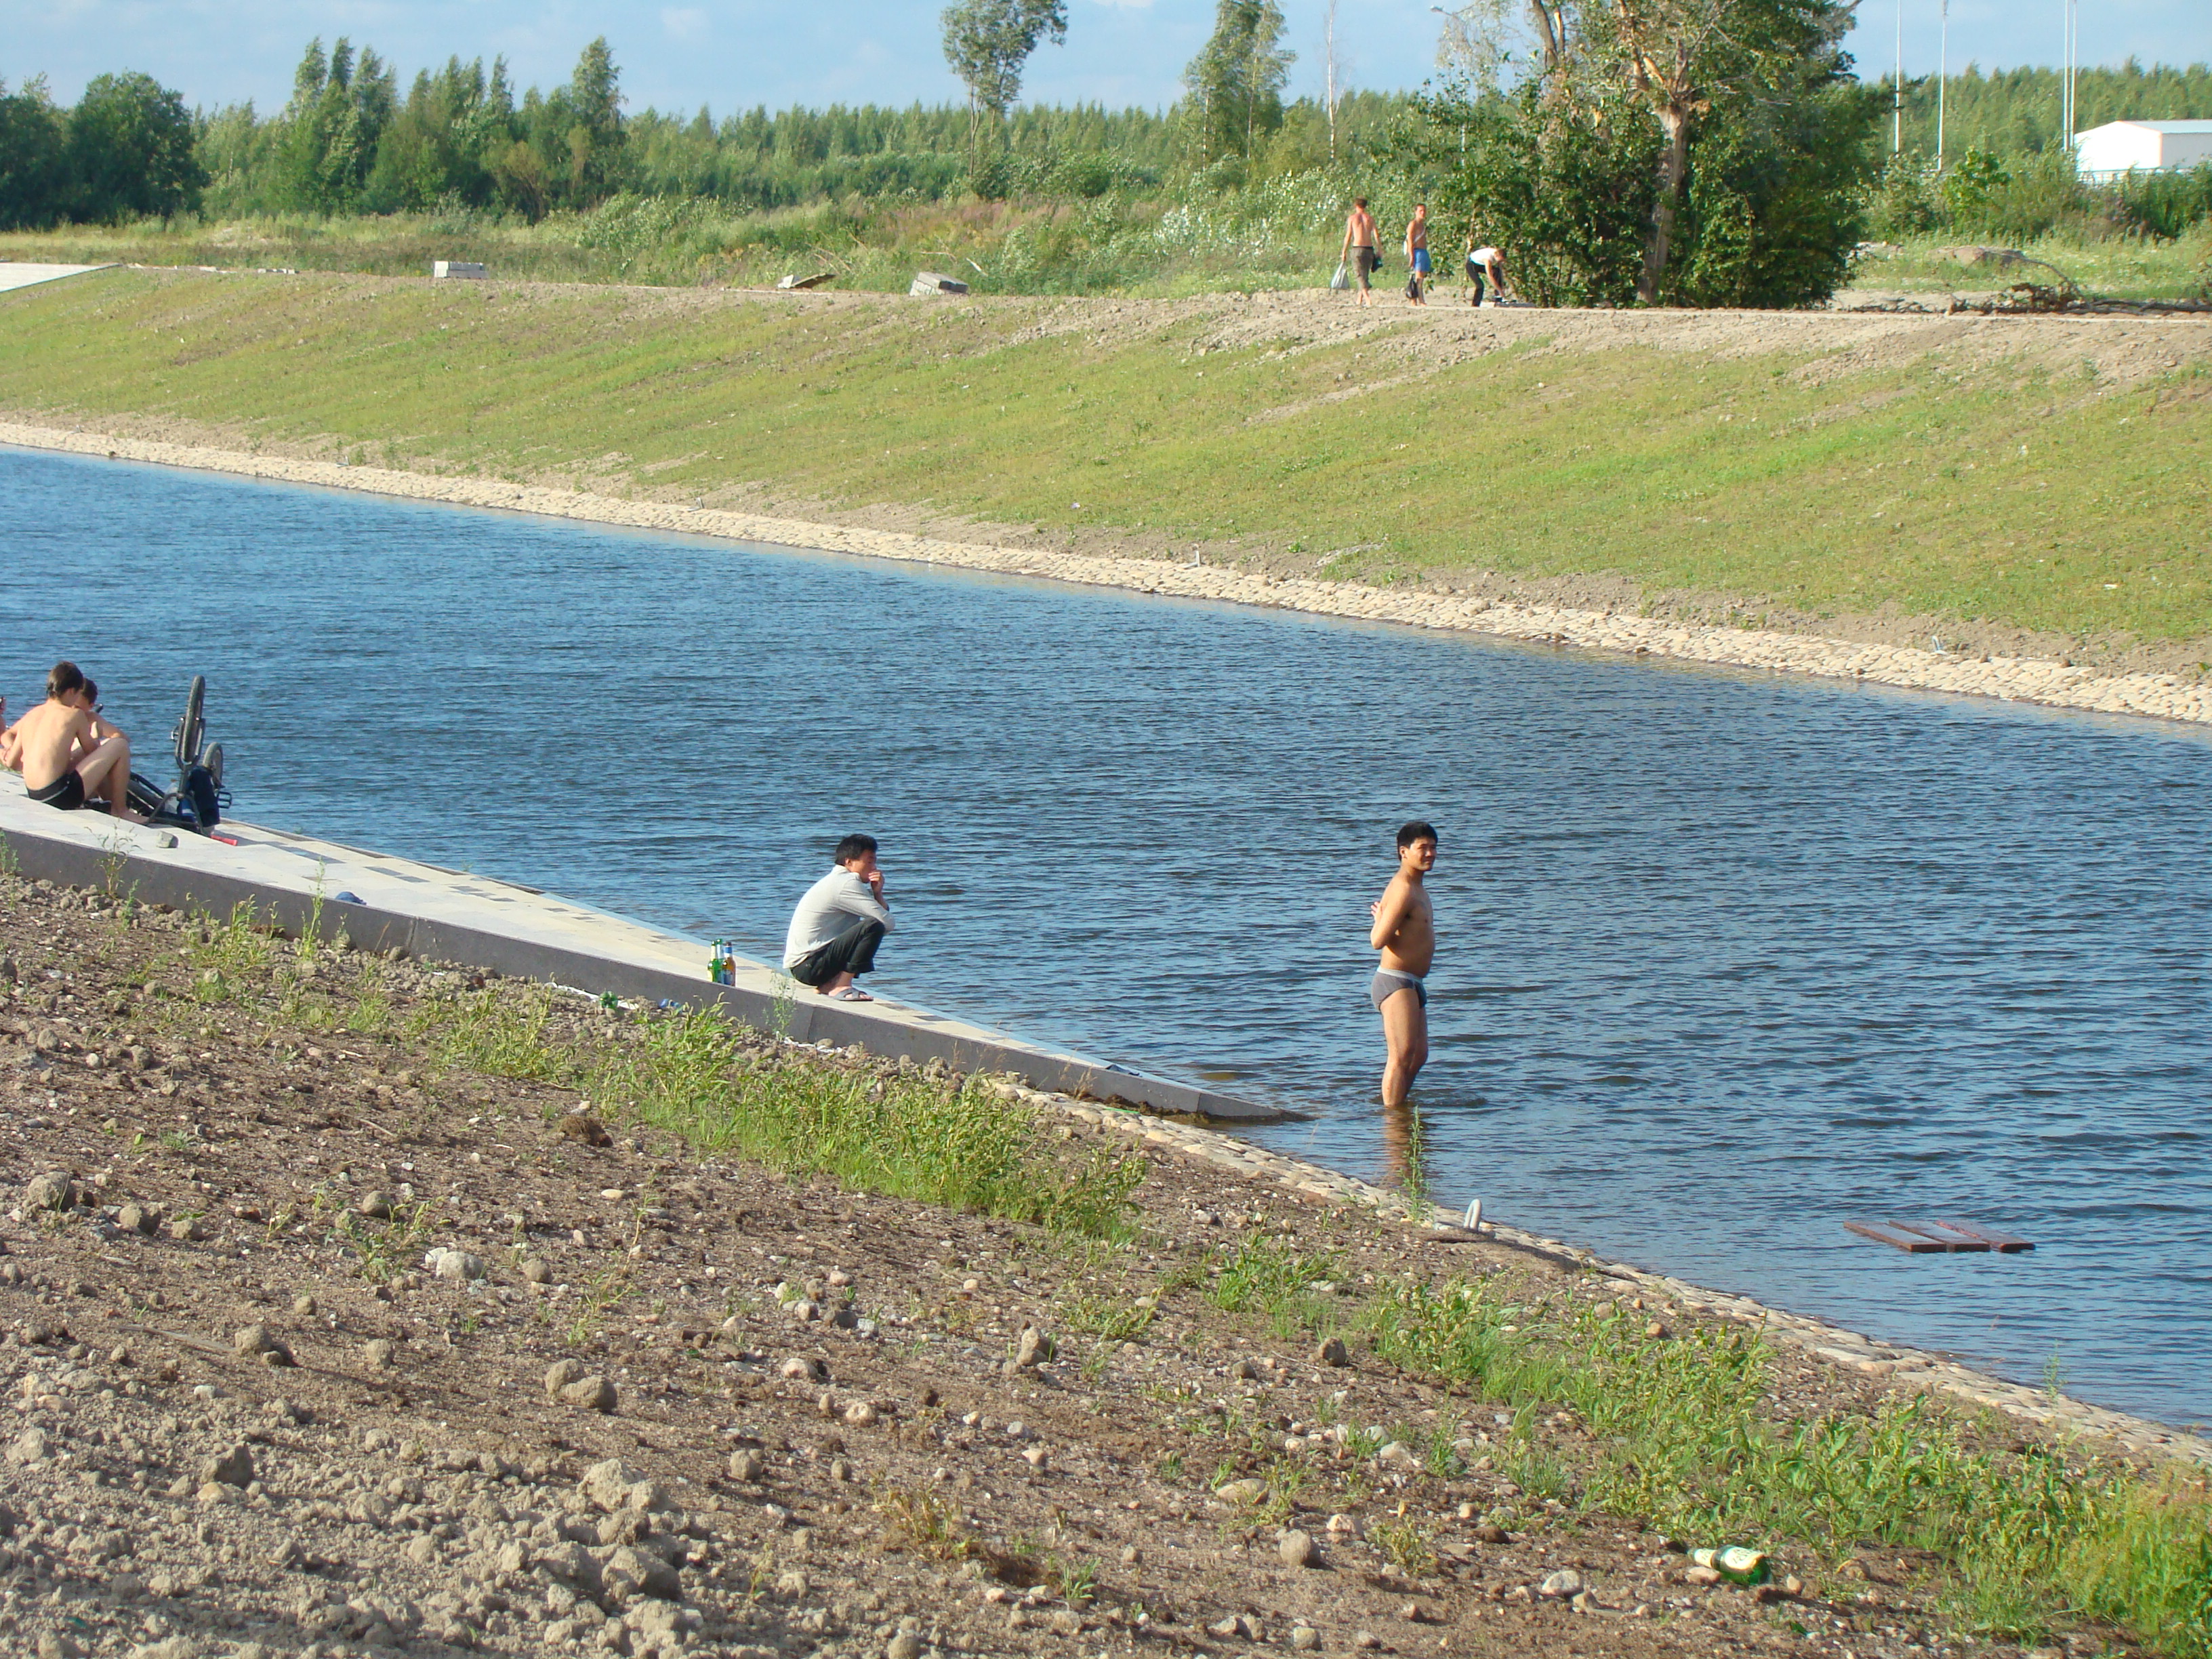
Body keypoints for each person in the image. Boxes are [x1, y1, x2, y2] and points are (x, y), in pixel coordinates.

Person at [1, 661, 140, 819]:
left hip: (35, 794)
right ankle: (120, 810)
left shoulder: (33, 714)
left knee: (80, 753)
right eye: (77, 694)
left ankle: (109, 802)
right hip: (60, 797)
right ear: (71, 691)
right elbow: (92, 752)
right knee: (119, 745)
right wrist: (95, 735)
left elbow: (12, 763)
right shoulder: (74, 715)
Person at [1368, 821, 1438, 1111]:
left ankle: (1398, 1107)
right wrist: (1380, 921)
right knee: (1401, 1055)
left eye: (1434, 848)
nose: (1430, 854)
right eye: (1423, 848)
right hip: (1396, 980)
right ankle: (1392, 1120)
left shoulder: (1417, 887)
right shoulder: (1403, 889)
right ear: (1404, 852)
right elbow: (1377, 941)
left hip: (1414, 983)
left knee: (1419, 1054)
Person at [782, 833, 894, 1002]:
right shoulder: (847, 884)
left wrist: (877, 893)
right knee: (873, 925)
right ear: (849, 862)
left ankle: (829, 985)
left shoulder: (838, 880)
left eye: (875, 861)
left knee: (872, 925)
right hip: (809, 966)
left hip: (806, 965)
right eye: (869, 861)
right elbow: (886, 922)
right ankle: (842, 985)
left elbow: (882, 917)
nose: (874, 867)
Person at [1339, 197, 1380, 308]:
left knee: (1359, 275)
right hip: (1369, 248)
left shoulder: (1352, 218)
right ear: (1365, 206)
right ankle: (1359, 299)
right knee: (1365, 275)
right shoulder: (1370, 219)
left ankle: (1368, 299)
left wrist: (1344, 250)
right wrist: (1380, 249)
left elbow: (1349, 235)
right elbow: (1376, 235)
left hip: (1357, 248)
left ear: (1356, 206)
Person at [1466, 237, 1509, 307]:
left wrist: (1501, 288)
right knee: (1480, 285)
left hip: (1480, 263)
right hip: (1472, 265)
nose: (1500, 262)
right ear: (1496, 256)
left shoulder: (1497, 253)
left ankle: (1498, 297)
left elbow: (1500, 272)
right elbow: (1490, 276)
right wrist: (1501, 291)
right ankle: (1475, 305)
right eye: (1500, 260)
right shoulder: (1488, 258)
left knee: (1497, 271)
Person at [1404, 203, 1431, 306]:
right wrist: (1411, 256)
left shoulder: (1423, 225)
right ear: (1416, 212)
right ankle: (1421, 300)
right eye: (1420, 211)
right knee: (1418, 278)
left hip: (1423, 251)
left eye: (1424, 211)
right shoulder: (1413, 224)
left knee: (1421, 277)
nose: (1423, 213)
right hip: (1416, 252)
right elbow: (1410, 240)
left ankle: (1414, 299)